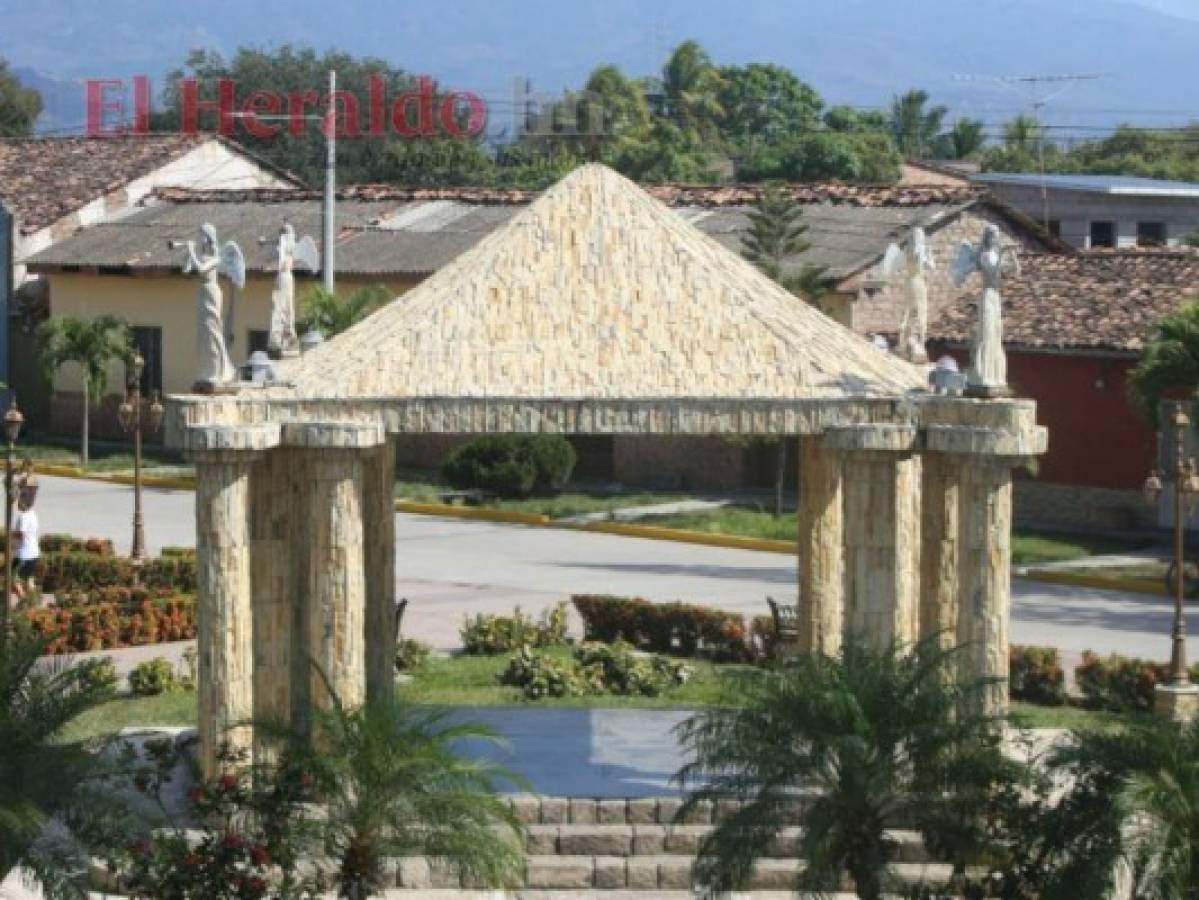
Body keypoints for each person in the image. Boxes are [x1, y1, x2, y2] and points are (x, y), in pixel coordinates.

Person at [12, 493, 39, 603]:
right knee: (29, 579)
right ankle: (33, 602)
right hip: (34, 552)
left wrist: (11, 534)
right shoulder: (33, 514)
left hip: (23, 554)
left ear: (23, 502)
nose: (17, 503)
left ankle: (24, 601)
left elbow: (21, 534)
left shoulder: (23, 517)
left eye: (19, 500)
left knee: (12, 577)